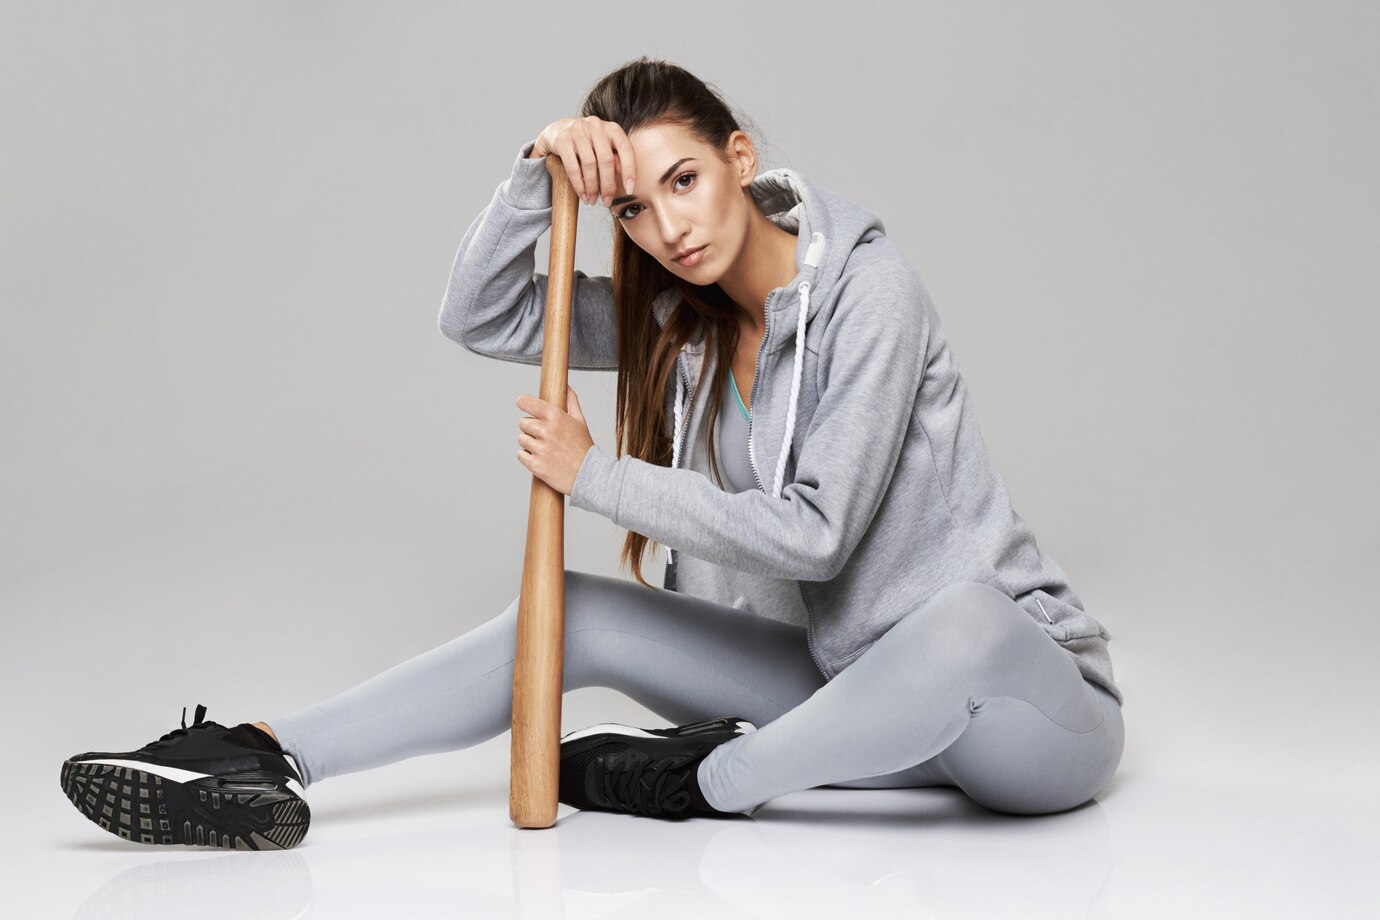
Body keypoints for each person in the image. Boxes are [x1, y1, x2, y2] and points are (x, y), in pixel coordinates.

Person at [59, 57, 1124, 850]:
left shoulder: (869, 292)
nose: (668, 228)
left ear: (738, 163)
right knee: (576, 608)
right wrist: (537, 176)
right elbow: (481, 315)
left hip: (1021, 716)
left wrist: (596, 473)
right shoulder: (683, 319)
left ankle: (714, 778)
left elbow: (819, 530)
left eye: (685, 182)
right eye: (634, 206)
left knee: (966, 619)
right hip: (847, 698)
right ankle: (262, 751)